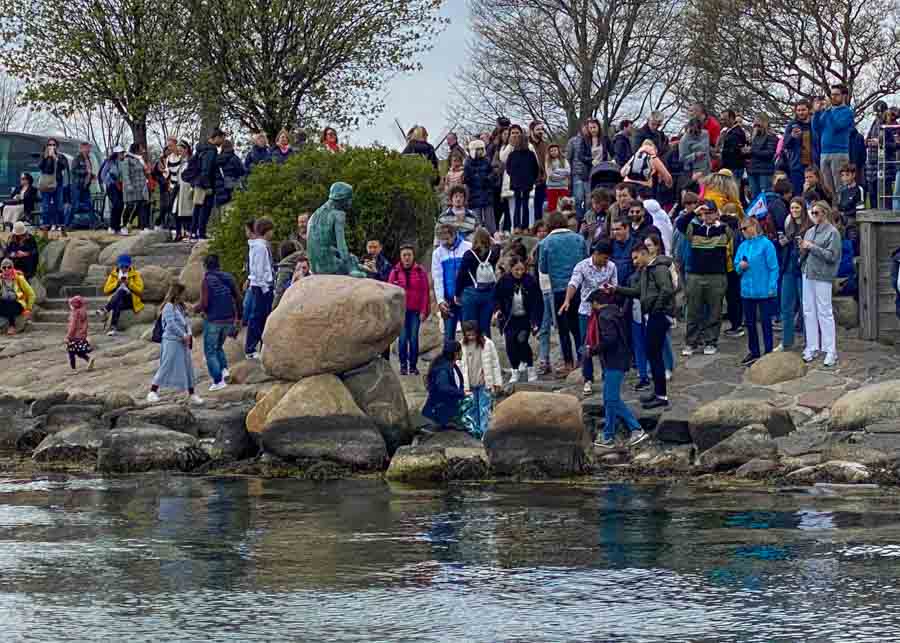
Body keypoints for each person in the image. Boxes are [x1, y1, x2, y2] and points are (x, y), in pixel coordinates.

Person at [613, 239, 674, 410]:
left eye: (635, 258)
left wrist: (656, 308)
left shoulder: (659, 268)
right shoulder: (647, 270)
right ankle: (658, 393)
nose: (634, 262)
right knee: (652, 354)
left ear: (644, 253)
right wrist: (616, 289)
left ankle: (661, 396)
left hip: (658, 315)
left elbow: (667, 289)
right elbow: (638, 292)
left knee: (654, 354)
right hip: (653, 314)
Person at [585, 289, 647, 449]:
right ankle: (608, 435)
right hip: (620, 359)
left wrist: (592, 350)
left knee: (611, 399)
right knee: (609, 399)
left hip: (614, 362)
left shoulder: (604, 317)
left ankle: (636, 429)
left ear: (596, 303)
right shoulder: (615, 311)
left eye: (591, 304)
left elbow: (610, 340)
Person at [560, 239, 618, 395]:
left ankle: (608, 376)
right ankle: (587, 379)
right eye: (604, 258)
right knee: (587, 344)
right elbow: (574, 283)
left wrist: (610, 291)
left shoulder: (611, 267)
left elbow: (615, 287)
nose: (606, 261)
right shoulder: (582, 266)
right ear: (596, 254)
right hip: (586, 311)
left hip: (605, 311)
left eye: (608, 258)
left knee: (605, 343)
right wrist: (567, 300)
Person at [678, 200, 731, 356]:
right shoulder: (694, 228)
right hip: (696, 275)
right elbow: (680, 224)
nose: (707, 216)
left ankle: (711, 341)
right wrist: (694, 211)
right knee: (693, 311)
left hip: (717, 276)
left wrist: (720, 216)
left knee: (715, 311)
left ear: (716, 213)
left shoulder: (723, 229)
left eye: (710, 212)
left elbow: (735, 224)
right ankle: (691, 342)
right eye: (704, 213)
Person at [539, 211, 588, 373]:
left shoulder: (545, 243)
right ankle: (582, 359)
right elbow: (586, 260)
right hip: (579, 287)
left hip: (559, 289)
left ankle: (568, 362)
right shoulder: (579, 239)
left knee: (563, 327)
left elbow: (543, 268)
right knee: (578, 325)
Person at [800, 201, 842, 367]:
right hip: (808, 273)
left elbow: (833, 256)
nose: (814, 215)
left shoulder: (833, 233)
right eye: (812, 212)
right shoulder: (810, 231)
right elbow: (806, 251)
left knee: (825, 312)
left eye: (816, 213)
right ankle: (812, 346)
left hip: (823, 275)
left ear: (825, 213)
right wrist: (803, 247)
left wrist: (812, 247)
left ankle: (831, 350)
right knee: (808, 310)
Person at [735, 216, 779, 365]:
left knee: (766, 323)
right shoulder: (742, 246)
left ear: (754, 226)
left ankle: (768, 351)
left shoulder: (766, 245)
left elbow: (773, 267)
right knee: (750, 323)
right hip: (747, 291)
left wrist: (772, 286)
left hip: (764, 290)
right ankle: (754, 351)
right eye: (741, 229)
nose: (743, 231)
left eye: (745, 228)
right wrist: (740, 266)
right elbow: (736, 266)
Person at [147, 283, 201, 405]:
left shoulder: (180, 307)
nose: (184, 296)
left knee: (188, 366)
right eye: (182, 293)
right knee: (166, 365)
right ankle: (152, 391)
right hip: (171, 341)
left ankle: (192, 393)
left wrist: (189, 334)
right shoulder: (168, 307)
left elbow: (185, 322)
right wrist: (183, 335)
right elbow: (170, 324)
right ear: (177, 294)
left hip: (183, 341)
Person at [195, 254, 241, 391]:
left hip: (214, 320)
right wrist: (239, 318)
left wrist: (194, 309)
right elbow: (238, 298)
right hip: (229, 319)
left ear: (205, 267)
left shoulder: (206, 280)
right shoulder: (228, 277)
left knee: (210, 352)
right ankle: (224, 370)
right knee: (219, 346)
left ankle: (218, 381)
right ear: (219, 264)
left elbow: (204, 303)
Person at [495, 256, 542, 383]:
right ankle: (514, 370)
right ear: (511, 269)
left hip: (525, 319)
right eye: (516, 270)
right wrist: (498, 310)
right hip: (509, 319)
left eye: (522, 269)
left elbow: (537, 303)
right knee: (510, 344)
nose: (520, 273)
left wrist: (535, 321)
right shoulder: (504, 281)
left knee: (522, 340)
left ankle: (531, 368)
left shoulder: (530, 281)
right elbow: (497, 298)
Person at [389, 244, 430, 376]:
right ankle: (402, 366)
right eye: (404, 255)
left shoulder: (420, 271)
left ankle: (413, 366)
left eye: (409, 255)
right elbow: (390, 293)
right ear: (401, 257)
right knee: (402, 339)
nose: (407, 258)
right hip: (401, 312)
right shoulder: (394, 272)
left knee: (413, 339)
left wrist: (424, 311)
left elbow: (425, 292)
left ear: (413, 256)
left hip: (415, 311)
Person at [777, 197, 812, 352]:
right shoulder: (788, 224)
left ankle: (809, 342)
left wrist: (804, 246)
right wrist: (783, 242)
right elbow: (785, 246)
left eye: (797, 208)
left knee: (806, 307)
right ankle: (786, 341)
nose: (794, 211)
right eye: (792, 208)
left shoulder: (810, 226)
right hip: (789, 268)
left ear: (803, 209)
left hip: (803, 269)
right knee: (786, 306)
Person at [459, 321, 502, 439]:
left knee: (485, 409)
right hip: (469, 384)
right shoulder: (461, 345)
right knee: (472, 410)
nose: (471, 337)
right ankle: (474, 434)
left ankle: (485, 435)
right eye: (468, 335)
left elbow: (495, 364)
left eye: (473, 334)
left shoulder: (488, 344)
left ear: (478, 333)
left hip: (484, 383)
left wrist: (497, 382)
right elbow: (459, 366)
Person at [455, 228, 500, 339]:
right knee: (485, 327)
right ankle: (486, 353)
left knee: (470, 327)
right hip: (488, 293)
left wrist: (457, 294)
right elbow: (497, 246)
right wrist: (495, 241)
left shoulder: (468, 255)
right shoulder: (492, 254)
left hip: (471, 293)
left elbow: (461, 275)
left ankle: (471, 353)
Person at [813, 85, 854, 200]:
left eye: (836, 95)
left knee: (840, 186)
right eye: (832, 95)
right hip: (824, 153)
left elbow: (837, 126)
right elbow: (816, 129)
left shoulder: (847, 112)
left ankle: (842, 212)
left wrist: (829, 112)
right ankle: (833, 212)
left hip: (839, 153)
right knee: (827, 188)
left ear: (844, 96)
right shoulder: (827, 112)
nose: (833, 97)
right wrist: (816, 113)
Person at [432, 223, 472, 342]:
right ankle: (448, 360)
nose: (444, 242)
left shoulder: (468, 247)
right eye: (442, 240)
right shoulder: (438, 253)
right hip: (448, 300)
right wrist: (440, 300)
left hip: (466, 297)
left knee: (469, 334)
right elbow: (437, 278)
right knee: (448, 337)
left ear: (454, 234)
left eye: (447, 239)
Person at [245, 217, 275, 359]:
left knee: (264, 316)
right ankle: (250, 348)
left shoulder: (262, 246)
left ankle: (263, 345)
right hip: (261, 286)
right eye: (271, 231)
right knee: (257, 316)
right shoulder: (260, 247)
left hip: (263, 285)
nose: (272, 234)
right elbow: (258, 269)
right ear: (266, 231)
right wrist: (265, 287)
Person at [422, 340, 465, 432]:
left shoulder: (450, 365)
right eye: (461, 351)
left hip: (444, 412)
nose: (462, 353)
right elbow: (443, 387)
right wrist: (462, 393)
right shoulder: (443, 369)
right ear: (456, 353)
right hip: (437, 413)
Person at [505, 124, 540, 231]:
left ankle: (523, 226)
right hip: (518, 183)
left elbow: (535, 168)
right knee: (519, 204)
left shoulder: (530, 154)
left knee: (523, 204)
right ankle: (517, 226)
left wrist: (531, 179)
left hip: (525, 183)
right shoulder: (513, 154)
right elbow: (508, 168)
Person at [191, 128, 224, 240]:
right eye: (222, 138)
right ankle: (201, 233)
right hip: (205, 183)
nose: (222, 142)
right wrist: (208, 186)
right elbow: (206, 169)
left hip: (198, 182)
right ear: (217, 137)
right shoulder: (211, 151)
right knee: (205, 209)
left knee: (198, 207)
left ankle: (194, 232)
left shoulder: (202, 149)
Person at [100, 254, 144, 336]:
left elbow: (140, 290)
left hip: (130, 300)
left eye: (126, 267)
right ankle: (113, 328)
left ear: (129, 266)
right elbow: (106, 290)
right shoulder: (113, 274)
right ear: (119, 265)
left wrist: (129, 284)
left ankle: (106, 309)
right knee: (118, 303)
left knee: (122, 291)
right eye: (122, 266)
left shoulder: (135, 274)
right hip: (118, 300)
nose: (124, 269)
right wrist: (117, 283)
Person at [782, 99, 817, 196]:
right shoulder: (792, 125)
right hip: (797, 166)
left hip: (813, 165)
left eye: (803, 110)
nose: (801, 112)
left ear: (809, 110)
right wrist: (792, 136)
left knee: (814, 192)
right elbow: (785, 145)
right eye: (799, 110)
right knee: (797, 192)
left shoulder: (814, 124)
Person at [463, 139, 496, 233]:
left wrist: (488, 179)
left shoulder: (486, 161)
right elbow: (467, 179)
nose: (480, 151)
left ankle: (492, 237)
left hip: (487, 194)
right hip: (474, 196)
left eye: (482, 149)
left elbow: (493, 174)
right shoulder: (468, 163)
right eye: (478, 149)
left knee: (490, 222)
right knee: (476, 222)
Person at [38, 138, 68, 231]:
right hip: (46, 184)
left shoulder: (60, 156)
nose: (51, 146)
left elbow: (64, 166)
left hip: (57, 183)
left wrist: (55, 158)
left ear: (57, 146)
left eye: (53, 144)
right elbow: (40, 166)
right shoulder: (44, 156)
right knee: (45, 205)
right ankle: (46, 224)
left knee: (59, 204)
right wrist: (46, 157)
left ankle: (60, 224)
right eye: (49, 145)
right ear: (46, 146)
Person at [0, 257, 34, 335]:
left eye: (9, 267)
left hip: (17, 303)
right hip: (4, 302)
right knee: (4, 302)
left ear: (12, 268)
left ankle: (12, 326)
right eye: (4, 267)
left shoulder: (19, 278)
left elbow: (31, 294)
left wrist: (29, 308)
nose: (7, 269)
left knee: (10, 303)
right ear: (1, 268)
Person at [747, 114, 778, 198]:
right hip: (752, 170)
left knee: (765, 196)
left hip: (765, 171)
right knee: (754, 196)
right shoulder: (754, 136)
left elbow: (769, 153)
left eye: (758, 124)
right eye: (755, 125)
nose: (756, 127)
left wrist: (752, 151)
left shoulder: (771, 136)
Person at [122, 142, 150, 233]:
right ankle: (124, 226)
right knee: (130, 206)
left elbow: (143, 172)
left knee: (142, 206)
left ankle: (144, 227)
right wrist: (128, 185)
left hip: (141, 187)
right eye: (141, 148)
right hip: (131, 187)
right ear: (136, 149)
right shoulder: (128, 159)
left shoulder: (140, 159)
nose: (142, 150)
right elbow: (125, 174)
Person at [67, 141, 95, 225]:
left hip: (86, 186)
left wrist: (92, 176)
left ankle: (94, 223)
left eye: (89, 148)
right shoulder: (77, 158)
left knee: (89, 205)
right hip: (77, 186)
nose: (88, 150)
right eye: (86, 148)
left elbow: (89, 172)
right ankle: (68, 224)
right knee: (75, 205)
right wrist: (86, 172)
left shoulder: (89, 159)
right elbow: (74, 170)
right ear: (81, 149)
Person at [213, 140, 246, 209]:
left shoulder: (217, 159)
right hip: (233, 186)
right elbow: (242, 171)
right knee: (234, 210)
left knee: (224, 211)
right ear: (231, 147)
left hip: (221, 189)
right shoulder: (234, 158)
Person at [172, 141, 194, 241]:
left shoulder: (191, 161)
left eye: (181, 150)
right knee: (176, 211)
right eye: (179, 151)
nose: (180, 152)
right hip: (179, 188)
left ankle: (189, 232)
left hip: (187, 188)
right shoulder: (181, 161)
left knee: (187, 212)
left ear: (186, 149)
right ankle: (179, 232)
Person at [718, 110, 749, 181]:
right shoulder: (727, 131)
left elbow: (735, 150)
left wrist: (721, 152)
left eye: (724, 119)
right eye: (721, 119)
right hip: (727, 167)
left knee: (732, 190)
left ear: (731, 118)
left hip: (734, 168)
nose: (722, 122)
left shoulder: (737, 132)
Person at [65, 295, 94, 370]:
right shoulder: (83, 312)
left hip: (74, 336)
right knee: (79, 352)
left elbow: (73, 326)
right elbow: (86, 325)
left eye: (71, 304)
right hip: (81, 336)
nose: (70, 306)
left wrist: (68, 336)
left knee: (71, 352)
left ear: (74, 305)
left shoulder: (75, 313)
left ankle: (73, 368)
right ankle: (89, 359)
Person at [101, 147, 125, 235]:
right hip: (111, 186)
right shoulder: (109, 162)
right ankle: (112, 226)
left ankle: (117, 227)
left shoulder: (122, 162)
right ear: (117, 154)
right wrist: (109, 183)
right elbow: (102, 175)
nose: (122, 154)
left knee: (121, 205)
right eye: (121, 153)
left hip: (120, 186)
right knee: (116, 204)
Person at [273, 240, 303, 309]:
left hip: (286, 305)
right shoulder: (303, 262)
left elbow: (279, 291)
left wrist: (274, 308)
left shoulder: (285, 268)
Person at [545, 143, 571, 214]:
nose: (553, 152)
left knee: (564, 206)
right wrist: (561, 175)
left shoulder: (564, 160)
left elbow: (568, 172)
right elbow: (550, 174)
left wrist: (556, 171)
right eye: (551, 151)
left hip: (563, 186)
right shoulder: (548, 161)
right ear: (549, 152)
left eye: (555, 150)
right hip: (552, 187)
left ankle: (564, 221)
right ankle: (553, 222)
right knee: (552, 207)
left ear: (558, 150)